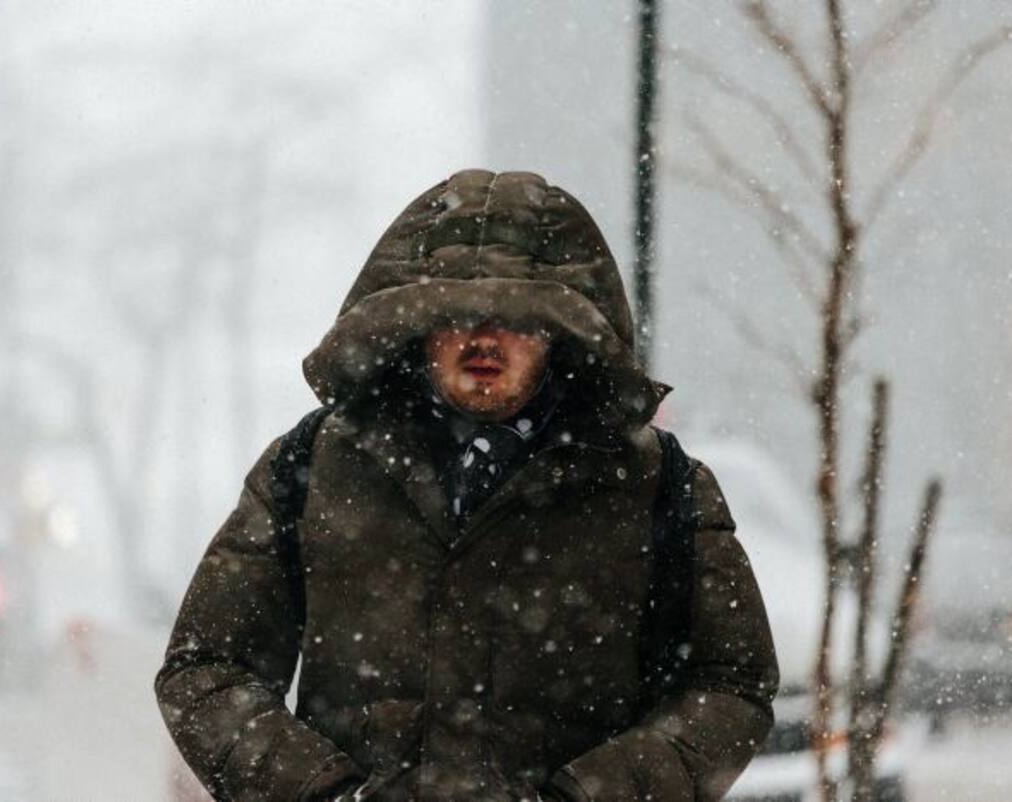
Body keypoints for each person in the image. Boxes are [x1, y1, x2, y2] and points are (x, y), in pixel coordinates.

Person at [156, 169, 779, 802]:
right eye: (454, 314)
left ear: (560, 333)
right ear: (415, 324)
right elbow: (205, 668)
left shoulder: (656, 484)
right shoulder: (312, 468)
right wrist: (321, 794)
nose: (483, 338)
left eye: (516, 318)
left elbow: (730, 683)